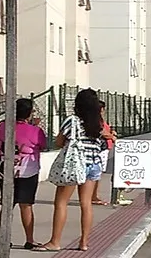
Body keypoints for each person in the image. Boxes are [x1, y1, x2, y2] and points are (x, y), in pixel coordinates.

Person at [35, 89, 116, 252]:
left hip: (75, 165)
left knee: (61, 202)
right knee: (86, 204)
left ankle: (55, 242)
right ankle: (84, 242)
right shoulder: (98, 123)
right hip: (93, 164)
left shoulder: (72, 120)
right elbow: (104, 140)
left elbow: (58, 142)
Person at [0, 98, 47, 250]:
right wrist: (36, 127)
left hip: (5, 170)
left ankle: (5, 238)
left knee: (6, 206)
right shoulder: (35, 131)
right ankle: (29, 239)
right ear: (29, 113)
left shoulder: (2, 126)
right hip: (27, 171)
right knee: (26, 205)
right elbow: (42, 145)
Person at [91, 101, 116, 206]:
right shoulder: (95, 120)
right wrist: (111, 136)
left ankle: (93, 195)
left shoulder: (101, 120)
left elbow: (106, 130)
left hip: (104, 148)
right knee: (95, 174)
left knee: (98, 174)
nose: (102, 111)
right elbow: (101, 132)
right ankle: (93, 196)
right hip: (99, 149)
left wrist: (111, 132)